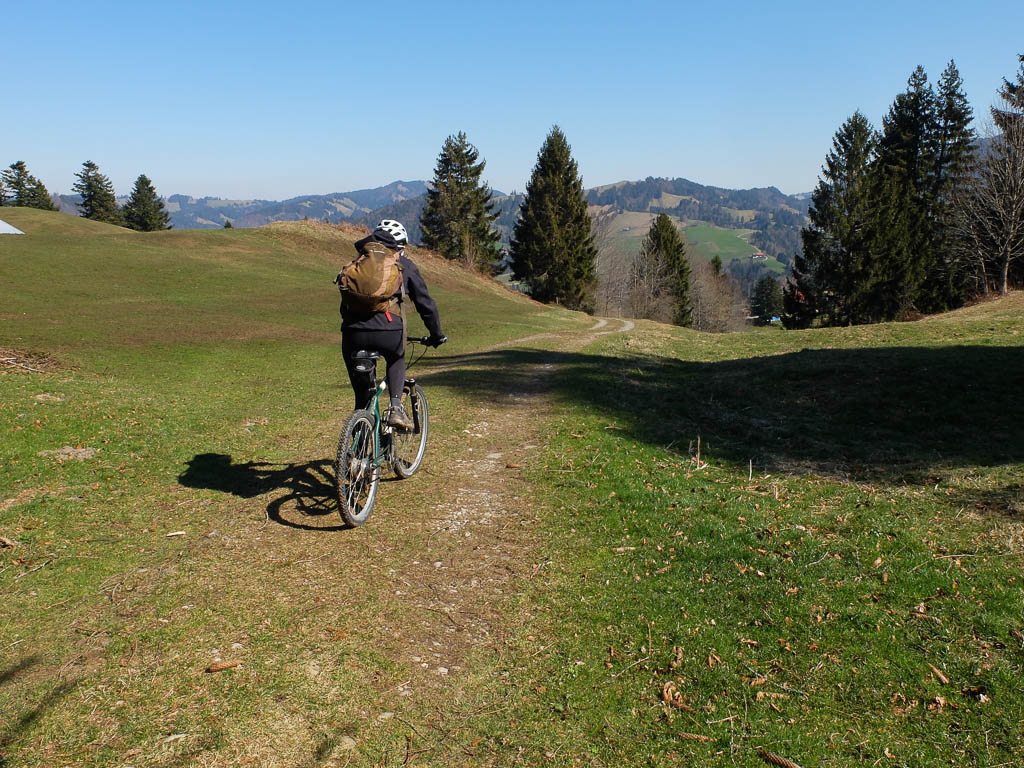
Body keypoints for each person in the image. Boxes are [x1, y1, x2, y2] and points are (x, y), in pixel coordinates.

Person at [339, 219, 446, 430]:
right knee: (397, 357)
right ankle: (396, 408)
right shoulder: (405, 266)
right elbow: (425, 304)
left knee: (362, 398)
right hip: (387, 330)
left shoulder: (359, 263)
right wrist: (436, 334)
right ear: (401, 246)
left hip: (353, 332)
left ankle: (356, 453)